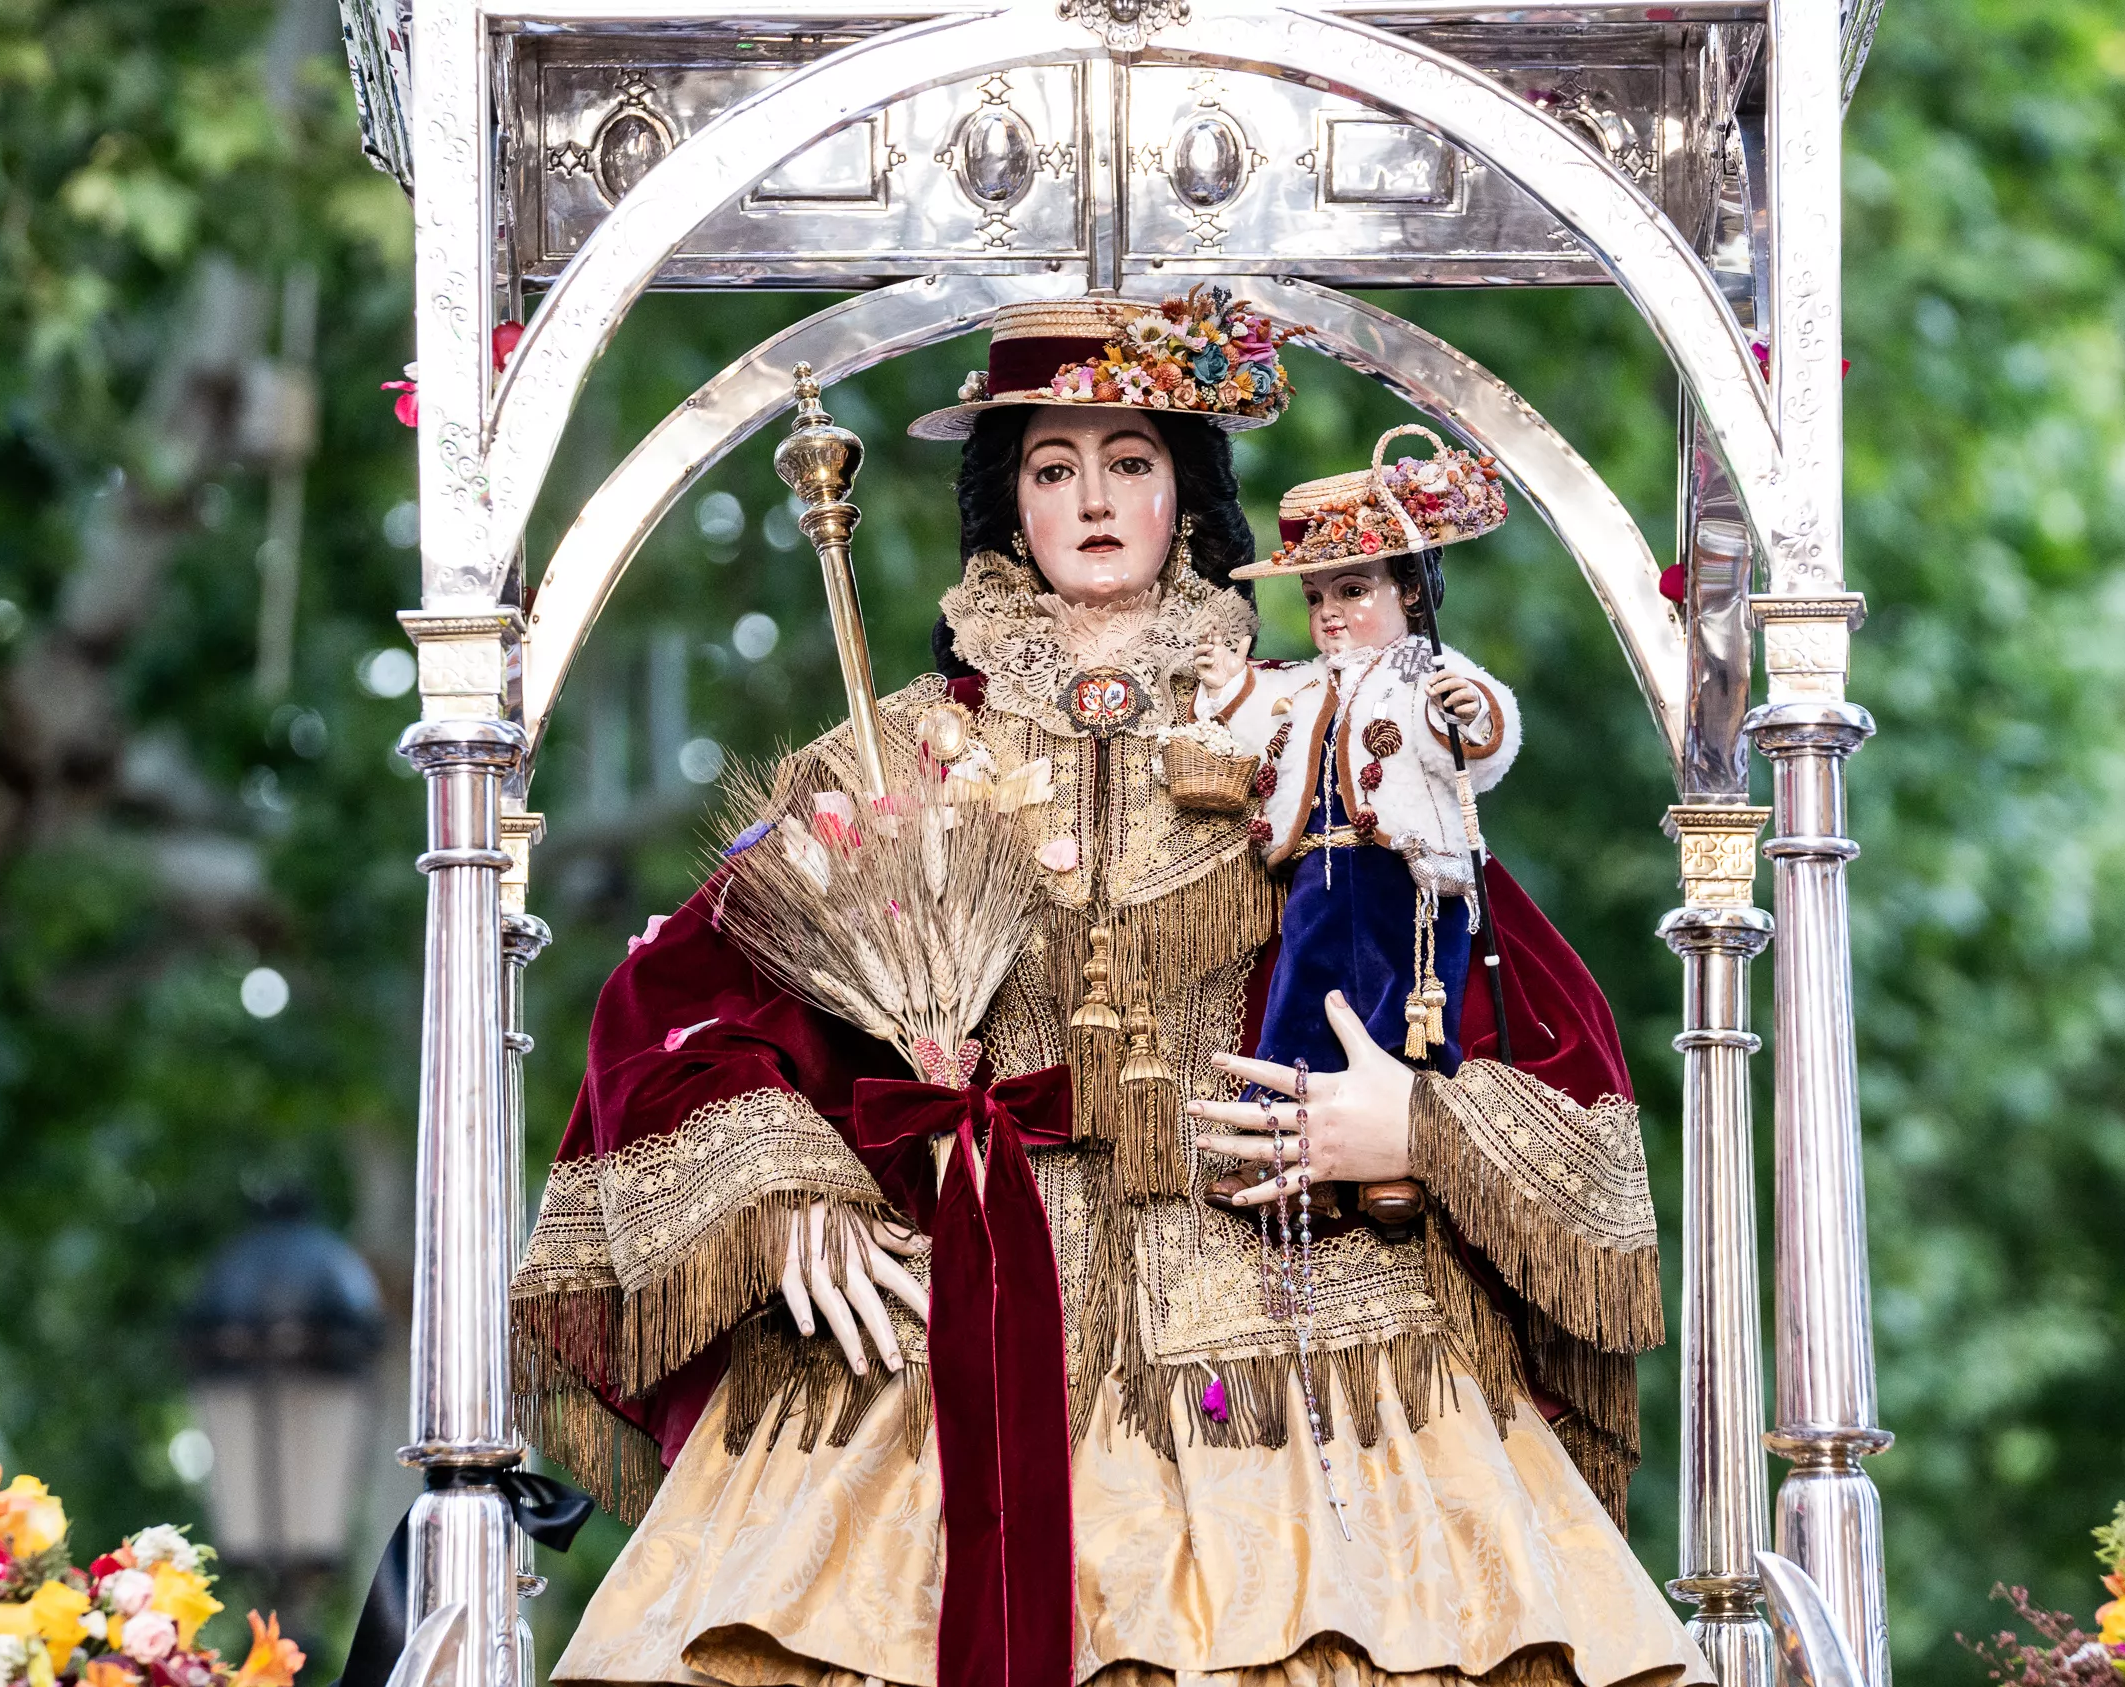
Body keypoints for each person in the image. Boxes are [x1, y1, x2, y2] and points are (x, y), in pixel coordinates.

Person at [511, 290, 1694, 1687]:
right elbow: (673, 1006)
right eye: (1053, 465)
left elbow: (1519, 1006)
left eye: (1129, 458)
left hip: (1289, 1325)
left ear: (1185, 491)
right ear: (1007, 501)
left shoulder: (1312, 726)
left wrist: (1414, 1129)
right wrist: (785, 1191)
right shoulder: (892, 756)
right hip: (947, 1320)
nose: (1091, 498)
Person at [1200, 426, 1518, 1080]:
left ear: (1408, 589)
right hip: (1318, 874)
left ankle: (1399, 1145)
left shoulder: (1425, 671)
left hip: (1406, 875)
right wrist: (1230, 683)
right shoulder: (1312, 681)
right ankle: (1285, 1132)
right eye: (1315, 598)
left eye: (1352, 591)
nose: (1329, 614)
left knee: (1404, 1007)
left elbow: (1482, 730)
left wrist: (1466, 712)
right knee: (1300, 1006)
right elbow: (1268, 715)